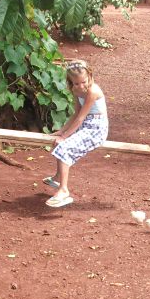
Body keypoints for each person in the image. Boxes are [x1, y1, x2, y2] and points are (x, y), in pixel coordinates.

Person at [43, 59, 108, 208]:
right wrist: (61, 131)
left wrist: (64, 137)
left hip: (97, 128)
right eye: (76, 83)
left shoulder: (92, 91)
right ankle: (58, 177)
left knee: (64, 147)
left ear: (90, 75)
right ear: (71, 82)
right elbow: (75, 114)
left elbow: (81, 118)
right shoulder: (76, 90)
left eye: (84, 82)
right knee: (60, 145)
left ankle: (64, 190)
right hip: (85, 125)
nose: (81, 86)